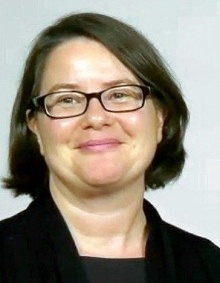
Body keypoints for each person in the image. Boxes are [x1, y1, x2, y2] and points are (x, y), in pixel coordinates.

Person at [0, 12, 219, 283]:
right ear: (35, 128)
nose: (96, 118)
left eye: (119, 94)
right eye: (67, 99)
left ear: (161, 118)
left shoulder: (209, 266)